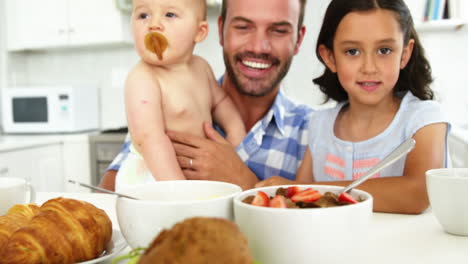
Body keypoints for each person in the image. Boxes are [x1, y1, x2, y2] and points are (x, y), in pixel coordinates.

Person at [256, 0, 451, 214]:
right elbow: (302, 207)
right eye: (352, 52)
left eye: (384, 50)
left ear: (404, 54)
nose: (369, 67)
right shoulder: (320, 125)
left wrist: (310, 190)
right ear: (330, 57)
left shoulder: (424, 119)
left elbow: (419, 193)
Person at [99, 0, 312, 191]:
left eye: (279, 30)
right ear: (220, 30)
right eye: (243, 27)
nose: (258, 46)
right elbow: (110, 196)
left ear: (299, 39)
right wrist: (179, 190)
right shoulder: (153, 91)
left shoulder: (313, 132)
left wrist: (244, 180)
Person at [116, 0, 246, 190]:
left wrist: (236, 133)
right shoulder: (143, 78)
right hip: (155, 176)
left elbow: (220, 102)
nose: (153, 24)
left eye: (169, 15)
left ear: (199, 32)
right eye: (143, 15)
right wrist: (178, 189)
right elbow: (149, 138)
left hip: (194, 174)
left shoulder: (201, 67)